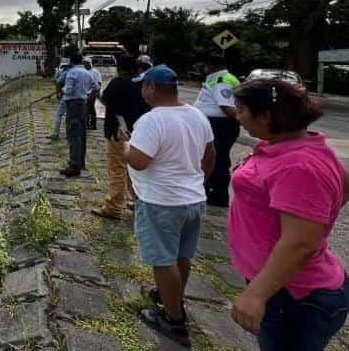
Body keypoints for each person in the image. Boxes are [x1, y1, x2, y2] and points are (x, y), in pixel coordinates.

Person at [228, 79, 348, 350]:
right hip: (284, 288)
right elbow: (344, 182)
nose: (238, 117)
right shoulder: (290, 146)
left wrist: (257, 294)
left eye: (242, 110)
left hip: (294, 296)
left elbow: (301, 243)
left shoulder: (298, 166)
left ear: (265, 116)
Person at [121, 65, 216, 347]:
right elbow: (210, 154)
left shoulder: (153, 120)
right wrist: (197, 181)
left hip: (161, 201)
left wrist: (125, 146)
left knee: (163, 260)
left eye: (143, 86)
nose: (141, 90)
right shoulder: (197, 115)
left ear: (151, 87)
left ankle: (174, 320)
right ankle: (170, 296)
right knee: (181, 256)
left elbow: (139, 161)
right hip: (194, 199)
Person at [91, 54, 150, 220]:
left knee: (117, 169)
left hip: (118, 131)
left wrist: (97, 95)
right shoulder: (142, 84)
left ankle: (113, 207)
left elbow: (106, 100)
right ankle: (139, 202)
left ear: (119, 67)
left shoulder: (119, 82)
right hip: (138, 131)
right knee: (134, 170)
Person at [193, 55, 241, 207]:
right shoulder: (224, 78)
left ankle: (218, 196)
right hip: (217, 124)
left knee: (217, 159)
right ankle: (210, 192)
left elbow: (226, 107)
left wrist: (244, 121)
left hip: (219, 126)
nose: (204, 69)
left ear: (210, 66)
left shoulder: (221, 81)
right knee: (212, 157)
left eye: (205, 66)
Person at [59, 51, 93, 178]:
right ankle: (81, 162)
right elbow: (93, 87)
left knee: (73, 134)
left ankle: (74, 165)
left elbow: (68, 90)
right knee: (82, 134)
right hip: (84, 104)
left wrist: (61, 90)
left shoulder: (71, 72)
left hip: (73, 105)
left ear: (71, 61)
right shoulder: (87, 73)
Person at [49, 62, 70, 140]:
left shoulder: (65, 73)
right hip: (79, 100)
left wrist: (58, 93)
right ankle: (70, 134)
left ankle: (56, 134)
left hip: (66, 97)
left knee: (59, 114)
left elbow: (57, 82)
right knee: (71, 116)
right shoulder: (83, 72)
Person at [84, 57, 103, 130]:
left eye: (86, 63)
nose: (85, 65)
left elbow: (99, 83)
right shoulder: (84, 71)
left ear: (89, 63)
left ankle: (93, 124)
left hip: (92, 92)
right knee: (86, 109)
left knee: (91, 108)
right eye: (84, 63)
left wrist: (96, 93)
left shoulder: (95, 72)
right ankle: (87, 123)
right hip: (85, 93)